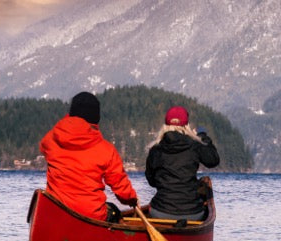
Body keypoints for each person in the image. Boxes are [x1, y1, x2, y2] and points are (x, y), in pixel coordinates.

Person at [40, 91, 138, 220]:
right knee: (114, 211)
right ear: (95, 118)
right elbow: (120, 184)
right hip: (91, 213)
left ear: (71, 113)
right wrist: (131, 199)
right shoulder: (106, 150)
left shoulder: (50, 140)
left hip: (57, 210)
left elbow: (44, 146)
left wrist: (69, 120)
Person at [145, 105, 219, 221]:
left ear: (165, 126)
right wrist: (203, 137)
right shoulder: (195, 146)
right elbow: (213, 161)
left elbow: (152, 181)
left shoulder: (156, 150)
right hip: (192, 212)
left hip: (160, 211)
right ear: (186, 126)